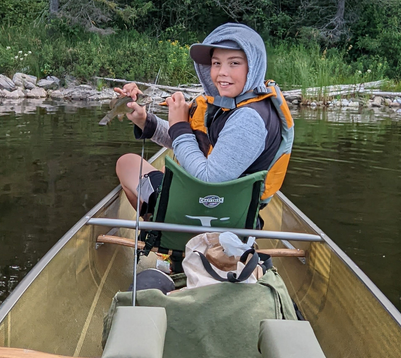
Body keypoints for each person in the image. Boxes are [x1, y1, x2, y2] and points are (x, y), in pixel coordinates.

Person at [115, 22, 293, 217]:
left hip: (208, 212)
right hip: (221, 207)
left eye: (234, 63)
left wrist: (180, 125)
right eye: (216, 63)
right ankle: (160, 223)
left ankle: (160, 228)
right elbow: (193, 139)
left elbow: (208, 178)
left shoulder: (249, 118)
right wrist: (144, 120)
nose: (222, 72)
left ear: (254, 65)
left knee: (127, 164)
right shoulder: (228, 105)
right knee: (157, 166)